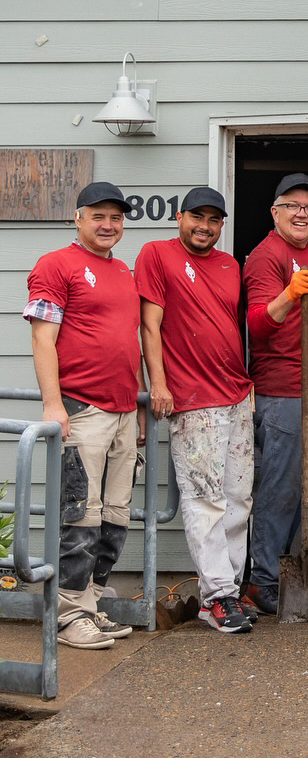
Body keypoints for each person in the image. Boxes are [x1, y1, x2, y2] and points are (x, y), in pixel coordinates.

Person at [25, 181, 143, 649]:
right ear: (78, 218)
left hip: (122, 410)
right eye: (98, 216)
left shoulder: (123, 272)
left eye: (116, 218)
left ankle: (90, 601)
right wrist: (54, 404)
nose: (108, 225)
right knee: (80, 516)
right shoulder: (56, 265)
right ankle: (70, 614)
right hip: (82, 406)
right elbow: (41, 338)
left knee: (114, 516)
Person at [136, 186, 254, 634]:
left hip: (237, 394)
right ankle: (221, 593)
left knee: (238, 500)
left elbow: (231, 326)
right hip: (192, 397)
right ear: (180, 217)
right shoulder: (156, 254)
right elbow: (150, 324)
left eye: (214, 220)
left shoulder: (230, 265)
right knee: (205, 498)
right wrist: (159, 384)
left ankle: (223, 593)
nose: (205, 227)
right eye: (197, 217)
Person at [242, 173, 308, 616]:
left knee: (301, 489)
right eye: (293, 205)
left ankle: (279, 572)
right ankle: (261, 580)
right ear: (274, 212)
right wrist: (288, 296)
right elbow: (258, 323)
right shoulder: (265, 257)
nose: (302, 213)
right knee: (280, 490)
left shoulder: (307, 251)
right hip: (282, 393)